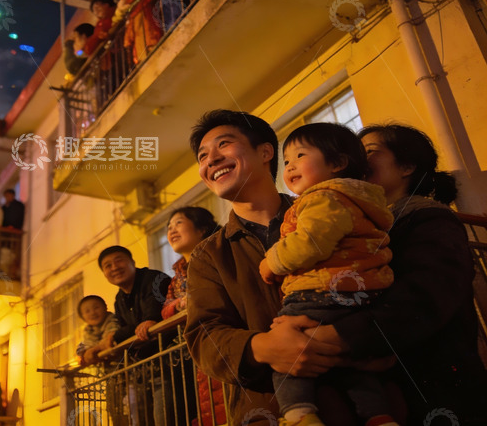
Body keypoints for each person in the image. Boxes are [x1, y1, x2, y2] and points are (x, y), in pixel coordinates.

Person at [298, 124, 487, 425]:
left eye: (369, 151)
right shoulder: (359, 226)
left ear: (407, 166)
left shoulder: (428, 217)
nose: (357, 159)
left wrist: (340, 336)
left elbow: (427, 296)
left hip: (436, 385)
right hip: (384, 388)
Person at [184, 109, 343, 423]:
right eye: (202, 156)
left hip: (356, 403)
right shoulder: (208, 256)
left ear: (266, 152)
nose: (211, 160)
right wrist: (264, 347)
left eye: (223, 144)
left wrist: (346, 336)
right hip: (265, 411)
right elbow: (204, 336)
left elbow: (377, 277)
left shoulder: (328, 214)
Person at [260, 123, 395, 426]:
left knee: (286, 353)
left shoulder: (322, 198)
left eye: (300, 155)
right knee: (353, 366)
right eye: (287, 160)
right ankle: (378, 416)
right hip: (361, 295)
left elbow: (311, 242)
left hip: (318, 292)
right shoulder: (360, 200)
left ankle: (299, 415)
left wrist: (271, 262)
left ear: (337, 163)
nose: (290, 166)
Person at [160, 207, 225, 426]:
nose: (171, 230)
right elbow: (166, 310)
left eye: (178, 223)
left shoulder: (218, 254)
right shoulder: (177, 275)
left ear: (202, 228)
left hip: (222, 337)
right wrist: (179, 304)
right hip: (195, 347)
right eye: (169, 227)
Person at [99, 245, 171, 426]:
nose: (114, 268)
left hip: (171, 363)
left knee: (166, 418)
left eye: (119, 260)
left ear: (132, 261)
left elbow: (152, 316)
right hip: (145, 371)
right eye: (107, 266)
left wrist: (117, 335)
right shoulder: (119, 299)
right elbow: (131, 328)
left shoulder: (154, 278)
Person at [113, 0, 163, 66]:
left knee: (151, 41)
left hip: (147, 18)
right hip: (136, 29)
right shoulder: (123, 2)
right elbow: (115, 20)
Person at [75, 295, 120, 365]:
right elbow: (83, 349)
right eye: (87, 311)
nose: (92, 313)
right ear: (82, 317)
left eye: (96, 308)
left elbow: (110, 340)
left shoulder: (114, 321)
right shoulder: (88, 332)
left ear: (105, 307)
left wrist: (95, 349)